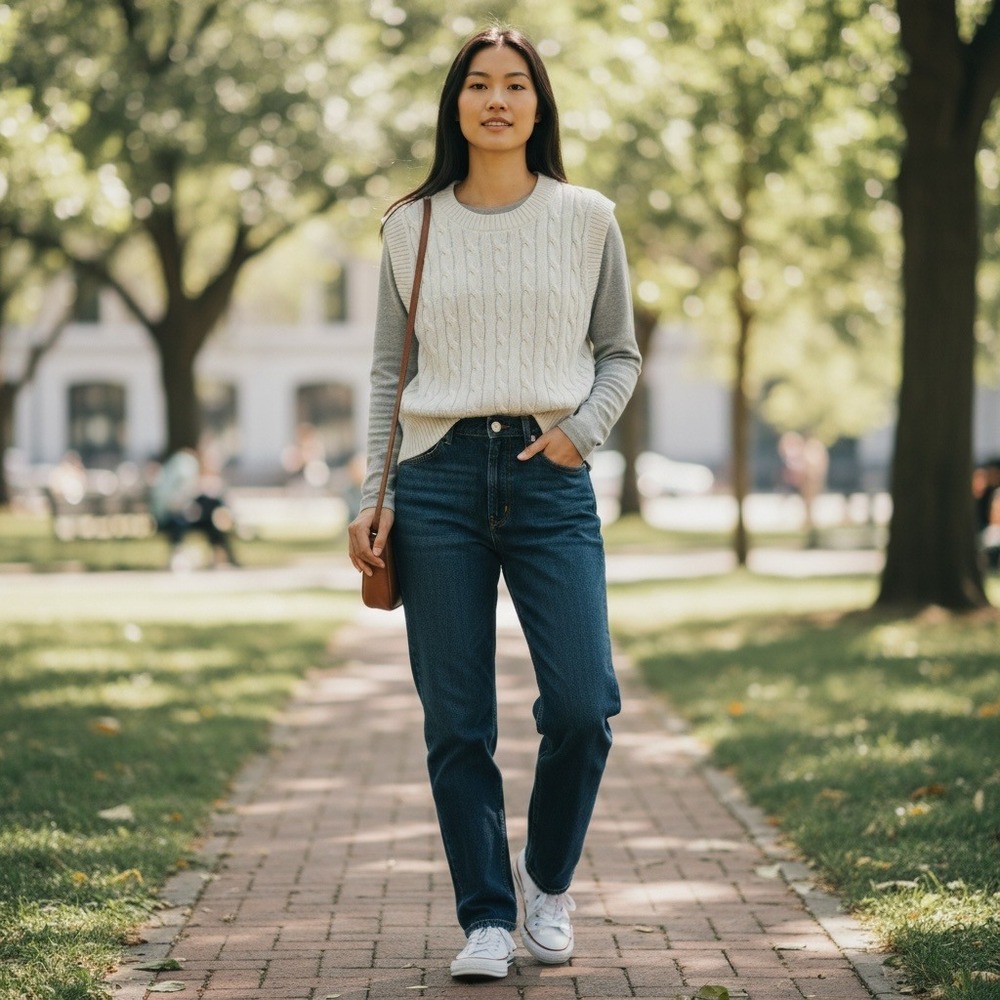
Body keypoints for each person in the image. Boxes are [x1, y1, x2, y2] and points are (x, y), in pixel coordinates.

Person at [347, 24, 641, 981]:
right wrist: (372, 493)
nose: (499, 100)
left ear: (539, 104)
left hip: (549, 474)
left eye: (517, 85)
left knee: (584, 705)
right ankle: (484, 917)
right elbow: (392, 372)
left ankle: (545, 883)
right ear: (457, 104)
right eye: (480, 85)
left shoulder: (589, 216)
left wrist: (578, 433)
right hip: (433, 479)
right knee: (457, 718)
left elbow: (619, 353)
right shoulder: (411, 224)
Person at [149, 447, 239, 569]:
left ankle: (219, 555)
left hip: (183, 515)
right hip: (169, 517)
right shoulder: (186, 468)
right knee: (180, 521)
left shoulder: (191, 472)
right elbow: (174, 503)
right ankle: (178, 555)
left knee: (209, 522)